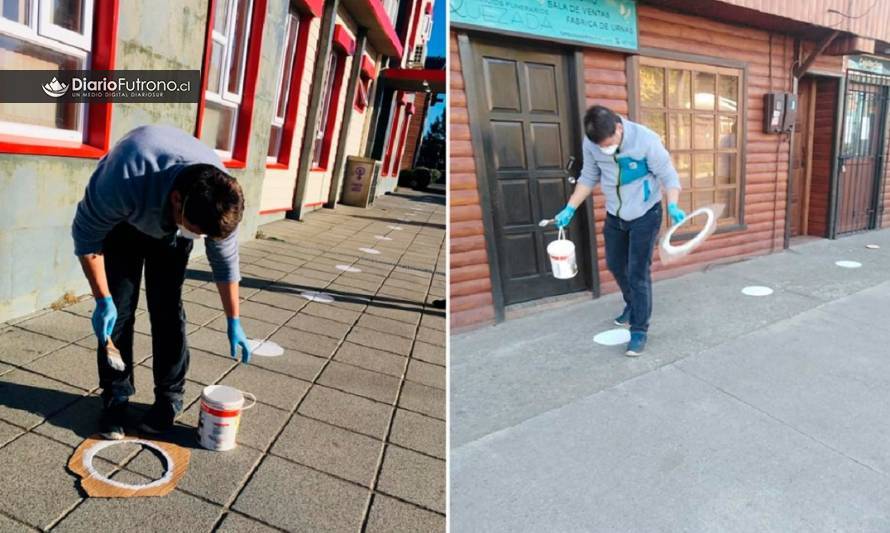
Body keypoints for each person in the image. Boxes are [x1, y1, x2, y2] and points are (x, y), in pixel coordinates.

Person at [72, 124, 253, 440]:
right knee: (119, 309)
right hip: (124, 222)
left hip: (172, 229)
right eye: (197, 231)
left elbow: (225, 263)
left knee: (167, 310)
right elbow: (86, 235)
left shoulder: (222, 198)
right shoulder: (123, 176)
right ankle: (116, 399)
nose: (201, 239)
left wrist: (233, 319)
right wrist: (102, 299)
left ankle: (169, 399)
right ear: (176, 199)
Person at [553, 105, 685, 357]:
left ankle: (639, 330)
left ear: (619, 128)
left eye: (608, 143)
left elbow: (668, 175)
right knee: (615, 264)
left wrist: (673, 204)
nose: (605, 149)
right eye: (600, 145)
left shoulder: (646, 140)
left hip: (646, 214)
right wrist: (569, 208)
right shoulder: (592, 143)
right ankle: (633, 304)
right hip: (616, 215)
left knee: (637, 272)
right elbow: (589, 176)